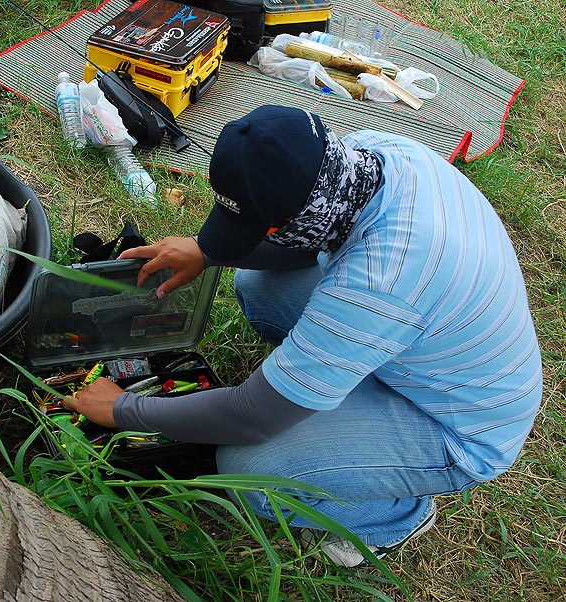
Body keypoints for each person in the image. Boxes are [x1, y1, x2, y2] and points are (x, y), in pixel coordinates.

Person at [63, 104, 543, 568]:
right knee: (258, 288)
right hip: (429, 343)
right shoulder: (363, 159)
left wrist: (125, 409)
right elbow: (299, 246)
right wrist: (207, 251)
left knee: (248, 468)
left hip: (459, 426)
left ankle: (393, 514)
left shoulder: (377, 284)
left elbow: (250, 417)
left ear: (303, 217)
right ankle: (336, 386)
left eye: (259, 226)